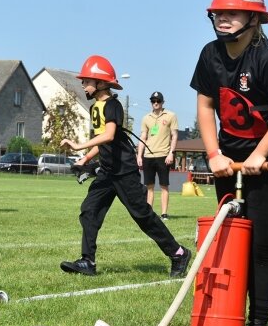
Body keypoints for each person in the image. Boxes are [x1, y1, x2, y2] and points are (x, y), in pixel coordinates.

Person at [191, 0, 268, 326]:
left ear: (254, 19)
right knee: (229, 238)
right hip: (229, 157)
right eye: (219, 12)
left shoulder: (267, 59)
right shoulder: (209, 54)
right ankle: (228, 314)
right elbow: (205, 107)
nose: (224, 18)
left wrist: (260, 154)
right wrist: (214, 154)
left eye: (234, 12)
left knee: (261, 243)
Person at [59, 55, 191, 279]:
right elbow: (102, 141)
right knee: (89, 211)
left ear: (100, 83)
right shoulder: (95, 108)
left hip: (124, 172)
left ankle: (178, 253)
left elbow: (109, 135)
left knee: (142, 216)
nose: (83, 85)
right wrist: (85, 159)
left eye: (86, 81)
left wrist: (79, 145)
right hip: (107, 172)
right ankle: (87, 261)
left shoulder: (113, 105)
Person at [136, 91, 178, 219]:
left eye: (158, 101)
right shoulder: (146, 118)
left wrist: (171, 153)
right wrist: (139, 155)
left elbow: (175, 136)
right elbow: (143, 137)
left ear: (162, 102)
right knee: (149, 186)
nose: (155, 103)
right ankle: (149, 214)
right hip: (148, 156)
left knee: (164, 186)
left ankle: (164, 214)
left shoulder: (171, 115)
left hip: (163, 155)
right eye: (153, 101)